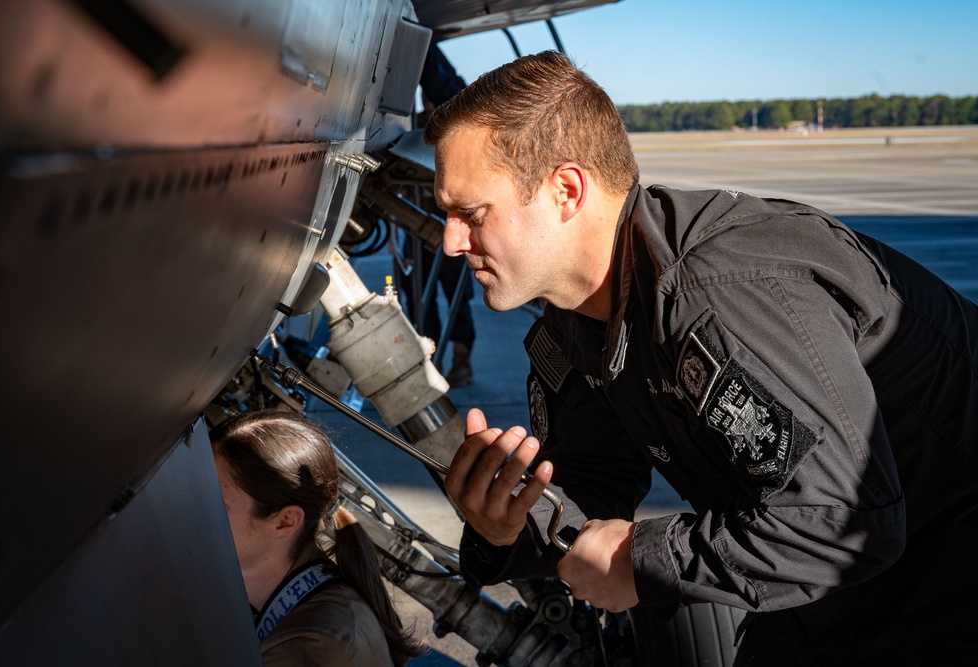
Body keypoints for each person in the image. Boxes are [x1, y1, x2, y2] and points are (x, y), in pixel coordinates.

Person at [423, 50, 978, 665]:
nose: (449, 242)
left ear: (566, 190)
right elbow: (591, 484)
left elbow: (847, 519)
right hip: (836, 587)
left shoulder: (717, 296)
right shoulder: (577, 319)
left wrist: (643, 560)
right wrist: (508, 525)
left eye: (470, 214)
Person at [210, 410, 424, 666]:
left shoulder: (307, 646)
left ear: (285, 522)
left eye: (217, 503)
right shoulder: (318, 605)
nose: (190, 510)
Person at [398, 44, 476, 386]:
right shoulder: (417, 126)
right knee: (418, 299)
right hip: (416, 230)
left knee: (457, 297)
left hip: (450, 227)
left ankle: (461, 361)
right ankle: (433, 362)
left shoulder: (457, 126)